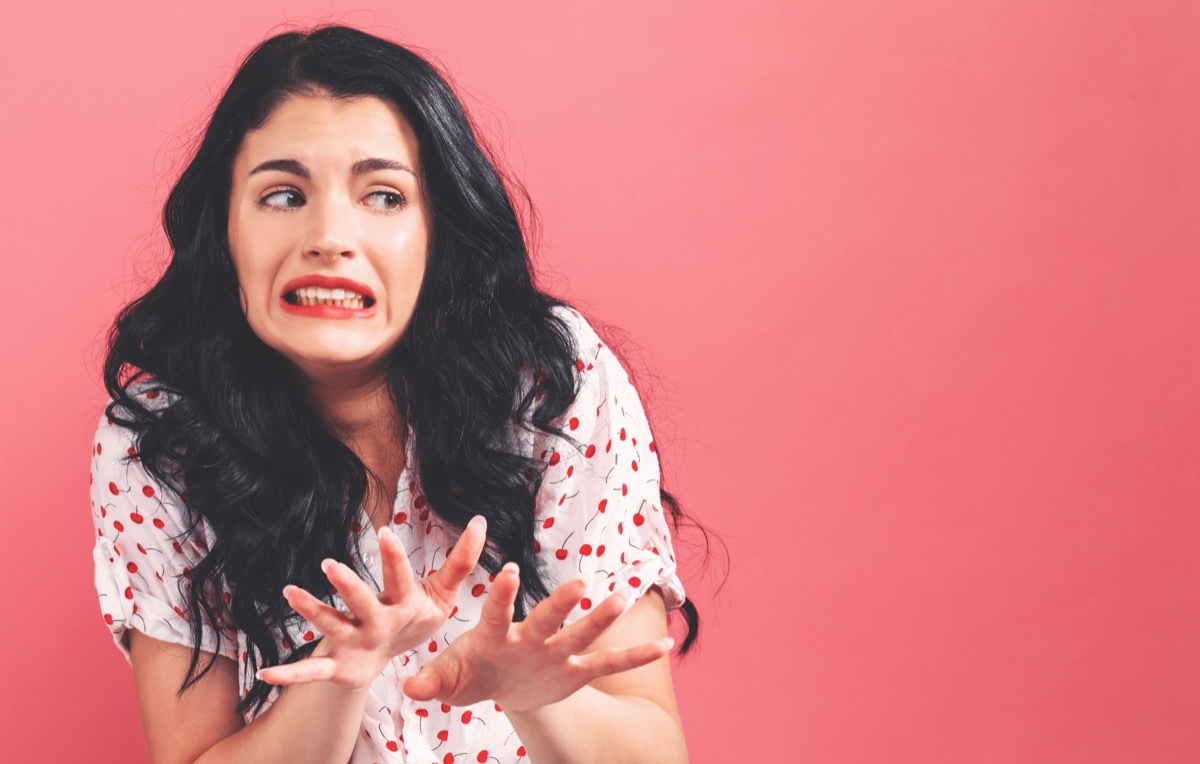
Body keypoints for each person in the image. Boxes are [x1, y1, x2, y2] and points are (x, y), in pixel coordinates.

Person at [89, 23, 700, 764]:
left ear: (437, 232)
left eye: (383, 196)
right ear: (225, 232)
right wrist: (340, 679)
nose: (330, 237)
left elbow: (655, 751)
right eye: (283, 195)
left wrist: (536, 699)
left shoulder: (549, 380)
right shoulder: (159, 436)